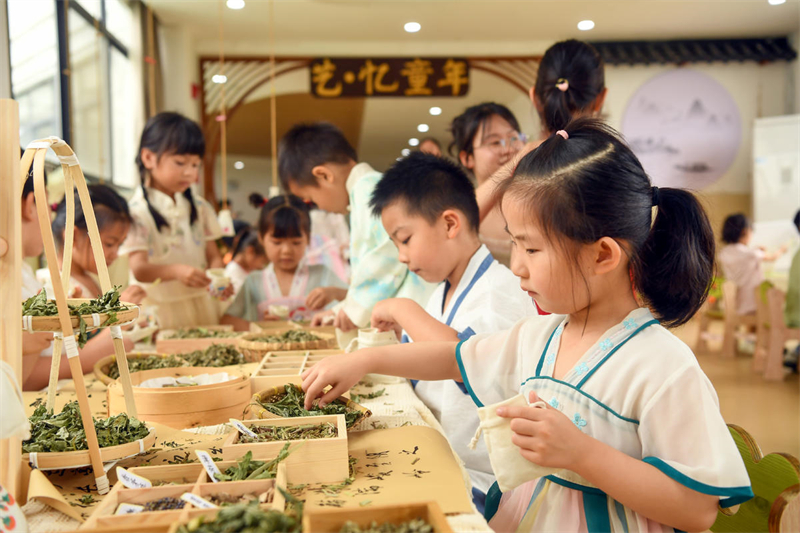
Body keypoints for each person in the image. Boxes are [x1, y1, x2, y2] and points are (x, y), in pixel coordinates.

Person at [301, 120, 752, 533]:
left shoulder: (663, 367)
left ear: (602, 255)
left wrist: (582, 455)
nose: (516, 266)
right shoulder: (542, 336)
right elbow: (453, 358)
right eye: (514, 244)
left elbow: (697, 510)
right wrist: (365, 359)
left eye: (532, 250)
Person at [369, 152, 537, 512]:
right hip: (437, 455)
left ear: (449, 224)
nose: (401, 255)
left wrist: (403, 308)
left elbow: (463, 361)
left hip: (482, 485)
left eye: (405, 239)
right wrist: (403, 330)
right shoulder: (445, 288)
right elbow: (428, 356)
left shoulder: (499, 292)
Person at [278, 122, 433, 331]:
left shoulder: (369, 190)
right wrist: (340, 309)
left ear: (324, 175)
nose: (319, 207)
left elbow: (387, 254)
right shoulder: (365, 190)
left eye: (311, 199)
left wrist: (354, 310)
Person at [474, 40, 607, 247]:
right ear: (601, 98)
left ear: (534, 97)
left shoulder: (526, 167)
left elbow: (461, 221)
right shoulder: (617, 165)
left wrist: (518, 159)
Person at [24, 185, 143, 391]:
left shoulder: (86, 280)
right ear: (74, 236)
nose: (115, 253)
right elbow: (40, 367)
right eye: (109, 244)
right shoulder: (52, 286)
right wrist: (115, 324)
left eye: (119, 245)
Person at [120, 112, 229, 329]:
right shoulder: (136, 212)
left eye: (195, 165)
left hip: (201, 303)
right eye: (180, 163)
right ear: (149, 158)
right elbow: (139, 268)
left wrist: (217, 278)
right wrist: (177, 272)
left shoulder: (200, 208)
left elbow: (214, 256)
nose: (190, 173)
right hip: (159, 308)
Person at [221, 194, 348, 330]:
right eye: (277, 242)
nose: (286, 250)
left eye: (296, 242)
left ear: (308, 239)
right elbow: (227, 320)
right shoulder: (254, 282)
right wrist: (258, 327)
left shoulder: (322, 274)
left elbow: (358, 300)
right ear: (261, 238)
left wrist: (335, 293)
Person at [449, 103, 525, 264]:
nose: (508, 149)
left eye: (513, 138)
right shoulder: (457, 210)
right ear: (467, 158)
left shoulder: (538, 201)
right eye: (495, 142)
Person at [718, 213, 786, 316]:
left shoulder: (724, 253)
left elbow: (743, 255)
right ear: (744, 231)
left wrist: (756, 250)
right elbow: (772, 258)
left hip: (735, 301)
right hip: (752, 300)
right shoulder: (751, 254)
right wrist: (782, 250)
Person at [225, 228, 267, 295]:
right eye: (263, 262)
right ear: (250, 251)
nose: (262, 266)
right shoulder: (233, 273)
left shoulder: (249, 271)